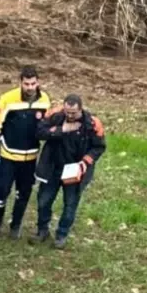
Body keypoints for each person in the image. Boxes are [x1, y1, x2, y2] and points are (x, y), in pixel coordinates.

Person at [0, 65, 52, 239]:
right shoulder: (7, 99)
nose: (30, 87)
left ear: (38, 82)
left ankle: (15, 226)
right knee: (2, 193)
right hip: (7, 156)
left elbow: (47, 126)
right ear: (20, 83)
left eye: (33, 83)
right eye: (26, 84)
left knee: (23, 195)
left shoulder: (45, 100)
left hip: (30, 158)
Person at [33, 94, 106, 249]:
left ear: (81, 109)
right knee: (43, 201)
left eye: (73, 113)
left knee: (70, 205)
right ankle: (42, 230)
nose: (70, 115)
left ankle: (62, 234)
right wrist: (61, 129)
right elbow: (39, 132)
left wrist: (85, 162)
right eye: (67, 112)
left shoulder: (92, 124)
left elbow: (99, 147)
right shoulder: (55, 115)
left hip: (75, 171)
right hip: (52, 167)